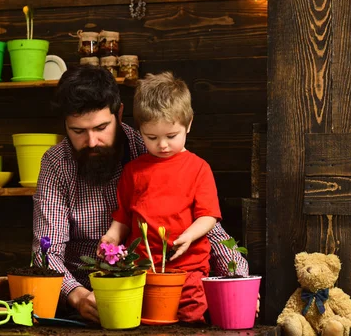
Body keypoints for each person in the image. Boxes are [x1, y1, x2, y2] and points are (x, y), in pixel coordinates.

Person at [32, 66, 248, 323]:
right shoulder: (56, 163)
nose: (91, 141)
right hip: (84, 302)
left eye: (101, 127)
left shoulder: (154, 150)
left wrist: (239, 284)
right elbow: (45, 252)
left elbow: (209, 229)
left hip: (158, 288)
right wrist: (77, 295)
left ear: (120, 114)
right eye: (78, 131)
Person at [102, 71, 219, 323]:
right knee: (146, 323)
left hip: (188, 267)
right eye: (151, 138)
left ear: (188, 124)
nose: (162, 145)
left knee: (191, 319)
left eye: (171, 136)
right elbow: (123, 217)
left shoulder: (198, 168)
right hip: (143, 270)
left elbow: (208, 215)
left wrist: (188, 236)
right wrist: (111, 237)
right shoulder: (134, 171)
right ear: (140, 130)